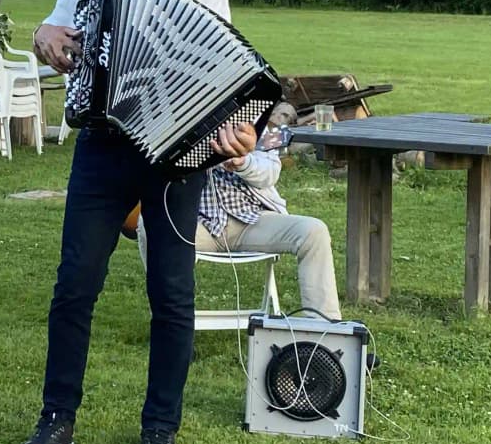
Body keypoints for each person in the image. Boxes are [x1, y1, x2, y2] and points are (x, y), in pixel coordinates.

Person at [18, 0, 256, 444]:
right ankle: (56, 421)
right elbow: (55, 36)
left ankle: (160, 433)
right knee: (74, 284)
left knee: (171, 295)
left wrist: (238, 133)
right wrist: (45, 35)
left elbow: (230, 68)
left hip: (176, 155)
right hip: (103, 145)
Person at [138, 122, 343, 321]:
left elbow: (269, 173)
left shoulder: (252, 120)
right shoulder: (181, 120)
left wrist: (242, 162)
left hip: (252, 219)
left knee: (314, 231)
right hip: (197, 224)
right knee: (150, 226)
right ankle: (170, 318)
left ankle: (325, 330)